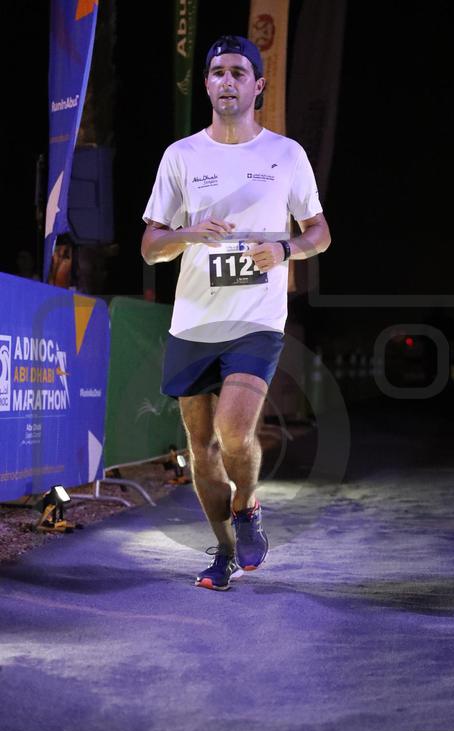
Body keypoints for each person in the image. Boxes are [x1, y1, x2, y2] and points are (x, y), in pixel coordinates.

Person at [141, 34, 331, 591]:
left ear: (258, 85)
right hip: (194, 321)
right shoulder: (181, 156)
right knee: (200, 450)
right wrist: (188, 233)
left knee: (232, 432)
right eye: (218, 72)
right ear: (206, 84)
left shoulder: (286, 154)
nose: (227, 81)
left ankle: (247, 503)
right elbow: (151, 248)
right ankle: (224, 550)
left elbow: (320, 233)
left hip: (255, 320)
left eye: (239, 73)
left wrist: (285, 249)